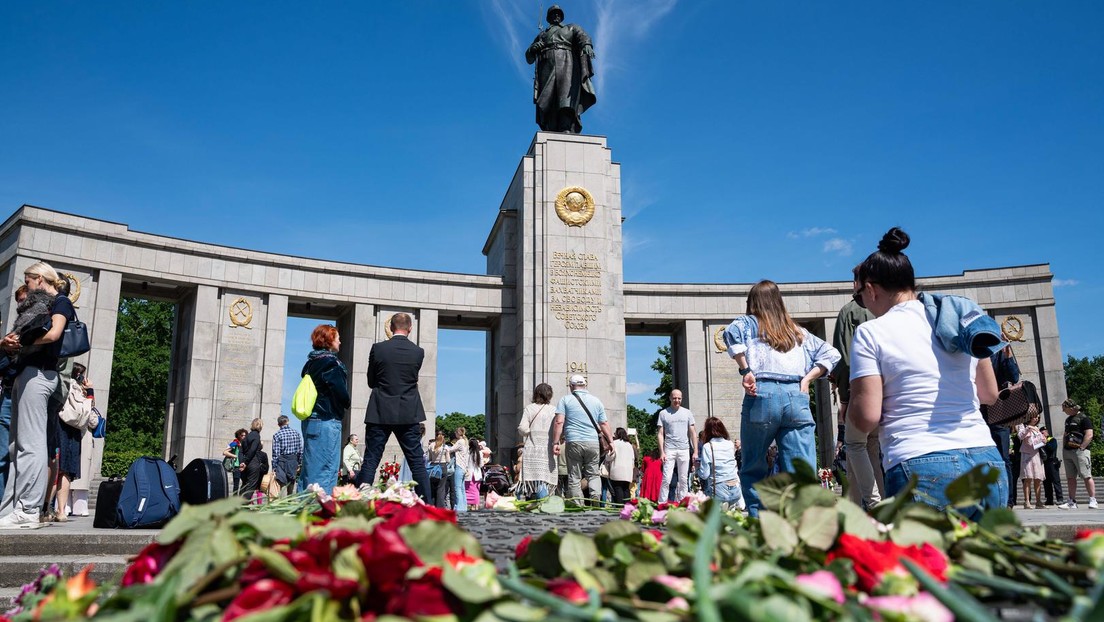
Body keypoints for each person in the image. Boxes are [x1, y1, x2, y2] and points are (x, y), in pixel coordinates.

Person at [849, 228, 1007, 519]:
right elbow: (989, 394)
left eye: (859, 296)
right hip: (986, 459)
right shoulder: (959, 317)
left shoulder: (871, 332)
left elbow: (867, 416)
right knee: (984, 563)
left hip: (920, 462)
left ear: (871, 289)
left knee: (926, 563)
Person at [722, 280, 840, 517]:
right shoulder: (797, 332)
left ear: (753, 303)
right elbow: (832, 353)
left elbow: (730, 333)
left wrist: (746, 371)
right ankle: (802, 522)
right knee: (801, 467)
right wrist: (807, 380)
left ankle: (759, 520)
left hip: (762, 393)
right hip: (796, 395)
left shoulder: (749, 324)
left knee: (754, 464)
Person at [0, 261, 76, 529]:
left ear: (41, 278)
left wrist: (21, 341)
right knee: (16, 446)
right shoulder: (37, 304)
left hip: (41, 374)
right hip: (25, 372)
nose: (27, 285)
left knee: (30, 443)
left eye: (29, 280)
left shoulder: (61, 302)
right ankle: (11, 507)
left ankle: (28, 510)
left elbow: (54, 333)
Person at [354, 313, 432, 502]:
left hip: (380, 411)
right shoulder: (418, 352)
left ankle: (356, 505)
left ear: (391, 326)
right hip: (408, 412)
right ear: (410, 328)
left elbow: (372, 381)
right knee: (416, 463)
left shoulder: (378, 349)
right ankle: (429, 506)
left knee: (371, 460)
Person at [832, 266, 883, 510]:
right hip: (887, 392)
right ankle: (866, 508)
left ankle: (873, 506)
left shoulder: (850, 311)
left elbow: (844, 358)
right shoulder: (886, 310)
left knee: (856, 446)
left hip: (860, 392)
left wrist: (844, 398)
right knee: (870, 450)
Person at [524, 5, 596, 134]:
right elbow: (529, 58)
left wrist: (587, 45)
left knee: (566, 97)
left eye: (558, 14)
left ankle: (565, 127)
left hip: (567, 64)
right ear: (548, 18)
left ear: (562, 16)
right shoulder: (542, 35)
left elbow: (583, 36)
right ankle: (551, 128)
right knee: (548, 98)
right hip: (547, 66)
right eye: (553, 14)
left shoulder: (571, 28)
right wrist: (533, 48)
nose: (556, 16)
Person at [298, 324, 350, 491]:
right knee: (325, 473)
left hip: (310, 421)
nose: (340, 342)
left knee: (308, 474)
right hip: (326, 421)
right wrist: (346, 403)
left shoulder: (310, 363)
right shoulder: (331, 364)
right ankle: (320, 515)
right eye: (337, 338)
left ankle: (302, 513)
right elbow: (341, 394)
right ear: (329, 341)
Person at [552, 374, 613, 506]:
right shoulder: (596, 401)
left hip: (573, 441)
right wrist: (611, 441)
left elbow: (559, 422)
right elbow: (604, 424)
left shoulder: (565, 400)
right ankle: (595, 497)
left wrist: (556, 442)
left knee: (574, 475)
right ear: (585, 385)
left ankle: (577, 503)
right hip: (592, 442)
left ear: (571, 386)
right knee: (593, 474)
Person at [987, 337, 1021, 507]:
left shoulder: (998, 353)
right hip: (976, 413)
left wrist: (1007, 354)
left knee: (1003, 458)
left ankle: (1008, 500)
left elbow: (1014, 377)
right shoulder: (972, 353)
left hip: (998, 414)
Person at [516, 383, 557, 499]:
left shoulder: (530, 408)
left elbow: (522, 428)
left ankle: (534, 501)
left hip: (533, 448)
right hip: (548, 449)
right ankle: (542, 503)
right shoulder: (554, 410)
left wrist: (531, 432)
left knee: (533, 479)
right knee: (543, 478)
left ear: (536, 394)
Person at [657, 389, 697, 503]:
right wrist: (662, 452)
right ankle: (662, 503)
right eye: (674, 398)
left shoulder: (687, 413)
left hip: (684, 449)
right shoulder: (663, 413)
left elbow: (693, 432)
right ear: (670, 398)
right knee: (666, 478)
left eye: (679, 398)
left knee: (683, 479)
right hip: (669, 449)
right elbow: (660, 434)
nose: (677, 400)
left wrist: (695, 451)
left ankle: (682, 503)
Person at [697, 417, 745, 509]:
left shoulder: (708, 446)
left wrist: (697, 468)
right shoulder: (730, 444)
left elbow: (704, 474)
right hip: (735, 490)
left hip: (719, 491)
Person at [1058, 399, 1096, 510]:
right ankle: (1071, 501)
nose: (1064, 411)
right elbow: (1065, 434)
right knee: (1070, 477)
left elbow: (1089, 434)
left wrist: (1082, 447)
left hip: (1080, 451)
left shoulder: (1084, 418)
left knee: (1086, 476)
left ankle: (1093, 500)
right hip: (1068, 450)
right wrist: (1064, 448)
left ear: (1071, 408)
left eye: (1065, 409)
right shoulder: (1068, 419)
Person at [1016, 413, 1046, 510]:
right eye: (1034, 416)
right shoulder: (1022, 426)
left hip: (1036, 454)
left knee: (1038, 478)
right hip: (1027, 455)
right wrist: (1028, 428)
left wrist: (1043, 438)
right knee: (1028, 478)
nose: (1036, 418)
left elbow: (1043, 440)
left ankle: (1038, 501)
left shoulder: (1037, 428)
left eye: (1038, 417)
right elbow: (1020, 436)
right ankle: (1027, 501)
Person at [271, 415, 303, 496]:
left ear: (278, 424)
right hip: (293, 460)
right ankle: (290, 502)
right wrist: (299, 463)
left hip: (282, 461)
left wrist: (274, 467)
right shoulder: (296, 433)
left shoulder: (277, 435)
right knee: (291, 483)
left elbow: (276, 453)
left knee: (282, 484)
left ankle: (283, 505)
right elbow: (300, 450)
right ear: (288, 422)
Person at [238, 418, 266, 499]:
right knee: (251, 486)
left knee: (244, 485)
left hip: (244, 464)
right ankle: (244, 507)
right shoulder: (256, 436)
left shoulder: (246, 437)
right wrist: (245, 462)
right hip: (253, 463)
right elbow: (253, 450)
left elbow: (240, 451)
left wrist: (242, 462)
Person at [608, 428, 636, 505]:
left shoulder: (614, 443)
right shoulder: (629, 445)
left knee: (618, 489)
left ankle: (619, 508)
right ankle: (627, 508)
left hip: (617, 470)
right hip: (628, 471)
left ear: (617, 434)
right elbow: (633, 458)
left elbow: (610, 456)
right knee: (626, 489)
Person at [1039, 425, 1064, 506]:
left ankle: (1059, 498)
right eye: (1041, 433)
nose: (1043, 434)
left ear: (1047, 433)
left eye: (1044, 432)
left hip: (1052, 462)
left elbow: (1052, 449)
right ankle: (1049, 499)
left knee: (1056, 481)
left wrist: (1045, 442)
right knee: (1046, 483)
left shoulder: (1052, 440)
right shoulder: (1039, 442)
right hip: (1044, 463)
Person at [427, 430, 451, 508]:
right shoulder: (445, 447)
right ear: (443, 437)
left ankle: (432, 505)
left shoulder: (431, 445)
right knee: (441, 488)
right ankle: (440, 507)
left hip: (433, 467)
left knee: (432, 488)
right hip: (442, 466)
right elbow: (448, 460)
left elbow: (429, 458)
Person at [448, 428, 470, 512]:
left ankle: (459, 508)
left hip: (459, 466)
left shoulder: (460, 442)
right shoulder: (465, 442)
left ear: (457, 433)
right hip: (464, 468)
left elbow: (450, 450)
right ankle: (463, 507)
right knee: (462, 488)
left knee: (457, 488)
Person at [223, 429, 247, 494]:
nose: (244, 437)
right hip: (237, 467)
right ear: (238, 436)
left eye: (245, 435)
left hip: (244, 467)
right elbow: (225, 452)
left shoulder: (246, 444)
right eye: (242, 435)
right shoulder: (235, 443)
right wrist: (234, 456)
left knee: (245, 484)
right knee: (236, 486)